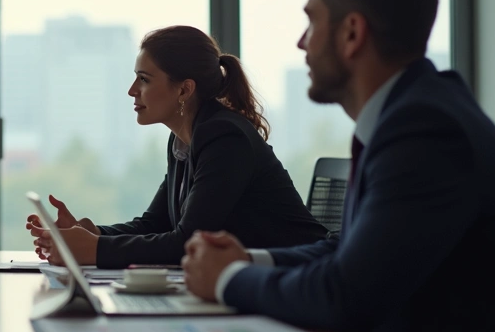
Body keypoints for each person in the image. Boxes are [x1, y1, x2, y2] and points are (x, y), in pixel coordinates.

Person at [181, 0, 495, 332]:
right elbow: (346, 252)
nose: (301, 42)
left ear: (351, 33)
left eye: (312, 22)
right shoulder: (413, 112)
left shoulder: (426, 128)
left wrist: (227, 279)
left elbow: (344, 294)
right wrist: (249, 260)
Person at [29, 26, 327, 269]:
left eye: (144, 79)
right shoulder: (185, 138)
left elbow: (186, 242)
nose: (132, 90)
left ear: (184, 89)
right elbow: (155, 224)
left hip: (298, 279)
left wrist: (95, 249)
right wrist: (91, 233)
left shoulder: (224, 137)